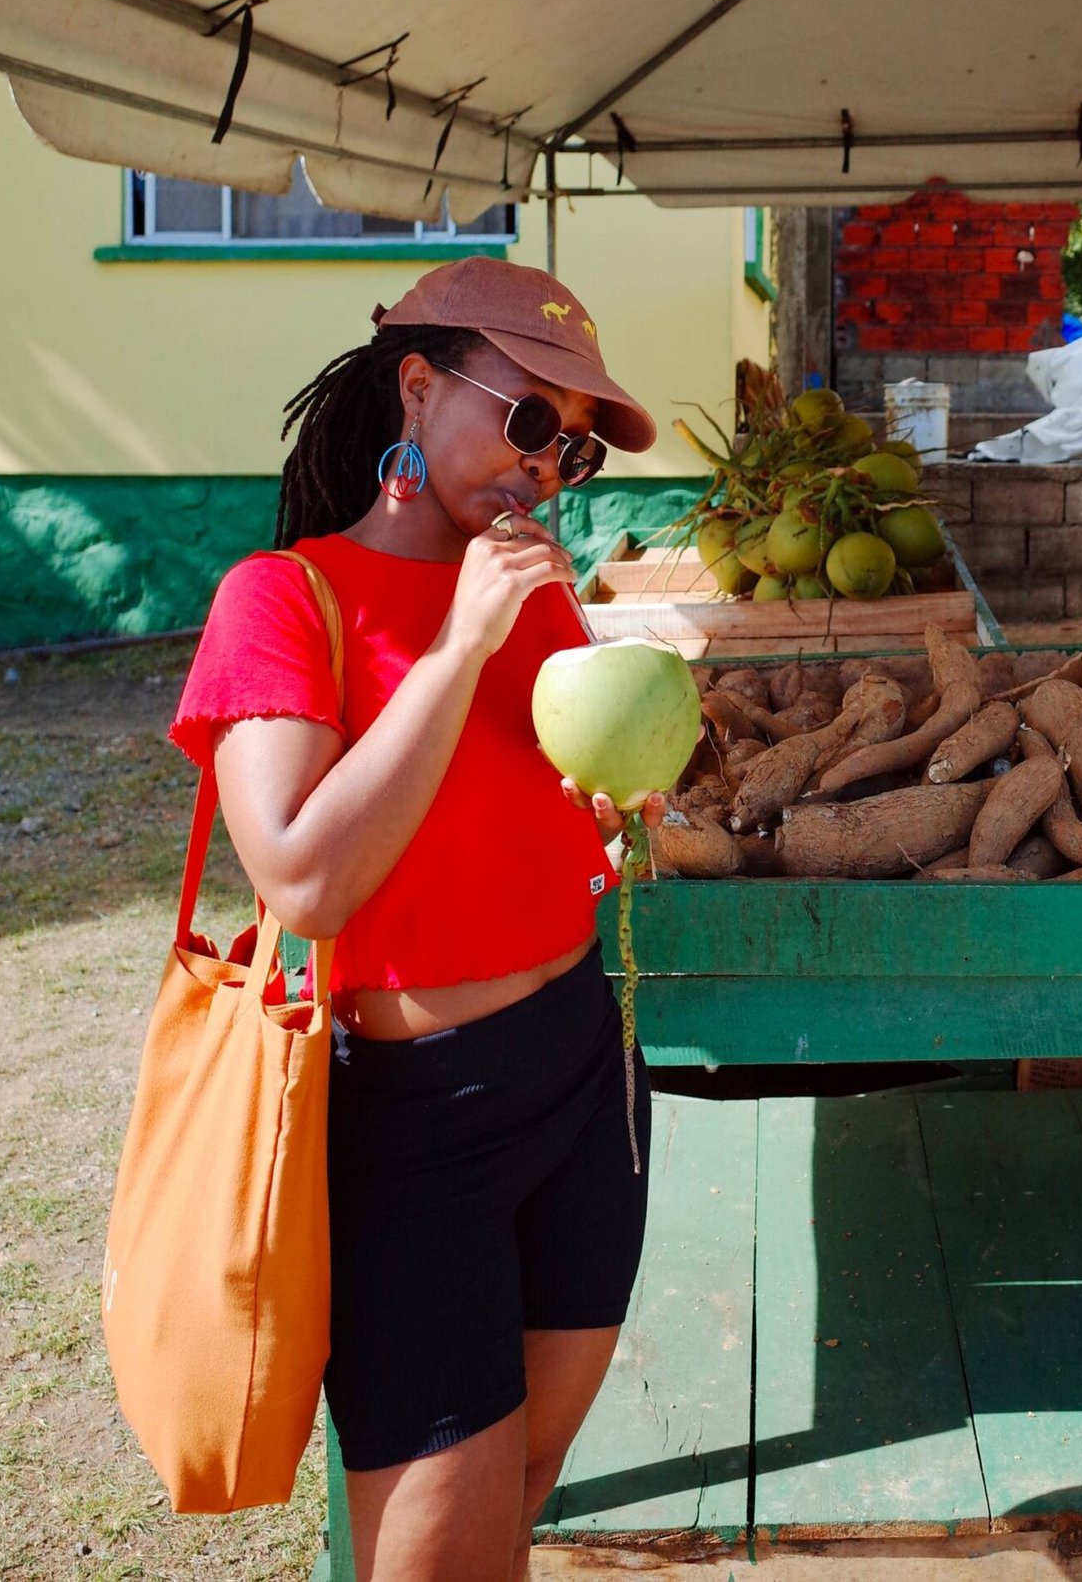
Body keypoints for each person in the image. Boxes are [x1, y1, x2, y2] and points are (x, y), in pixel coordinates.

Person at [169, 258, 663, 1582]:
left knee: (524, 1491)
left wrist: (617, 809)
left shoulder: (538, 595)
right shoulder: (281, 597)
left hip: (584, 1072)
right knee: (441, 1547)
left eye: (572, 449)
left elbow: (537, 800)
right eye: (528, 421)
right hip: (414, 1126)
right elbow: (304, 880)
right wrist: (454, 649)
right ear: (420, 381)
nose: (547, 466)